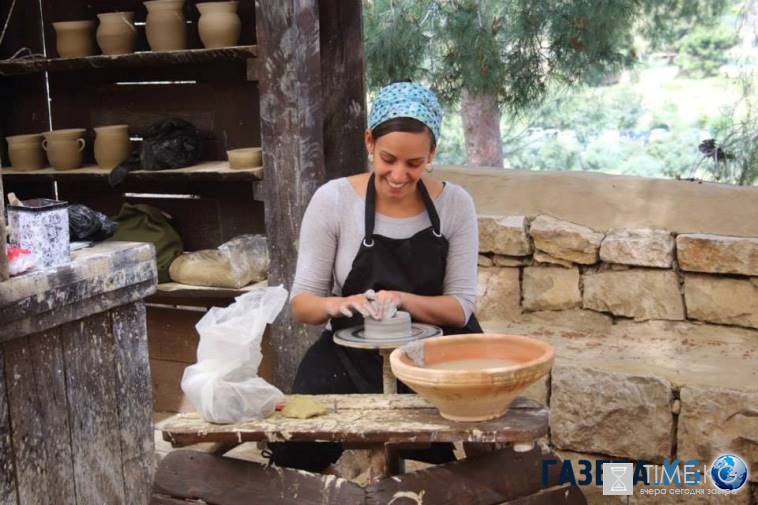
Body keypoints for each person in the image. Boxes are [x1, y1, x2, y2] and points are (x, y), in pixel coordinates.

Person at [270, 82, 482, 472]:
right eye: (388, 159)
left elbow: (459, 308)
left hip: (437, 351)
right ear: (369, 142)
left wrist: (400, 299)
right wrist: (339, 304)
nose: (399, 175)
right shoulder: (333, 200)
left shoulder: (456, 204)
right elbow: (302, 305)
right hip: (351, 350)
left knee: (487, 442)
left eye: (414, 163)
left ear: (432, 153)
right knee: (296, 448)